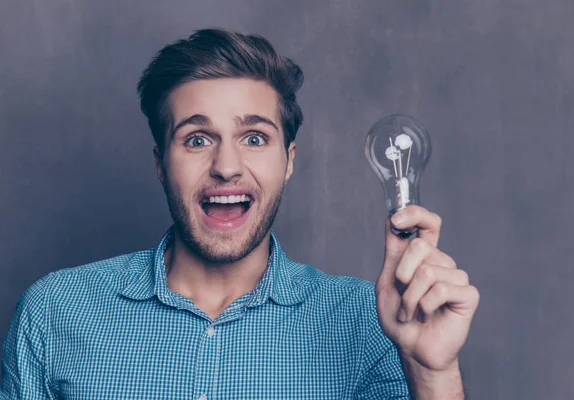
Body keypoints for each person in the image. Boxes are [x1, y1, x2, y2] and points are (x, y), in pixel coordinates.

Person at [1, 28, 479, 399]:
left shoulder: (369, 322)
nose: (226, 167)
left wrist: (432, 371)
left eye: (254, 138)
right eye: (197, 139)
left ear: (289, 160)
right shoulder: (55, 312)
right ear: (160, 165)